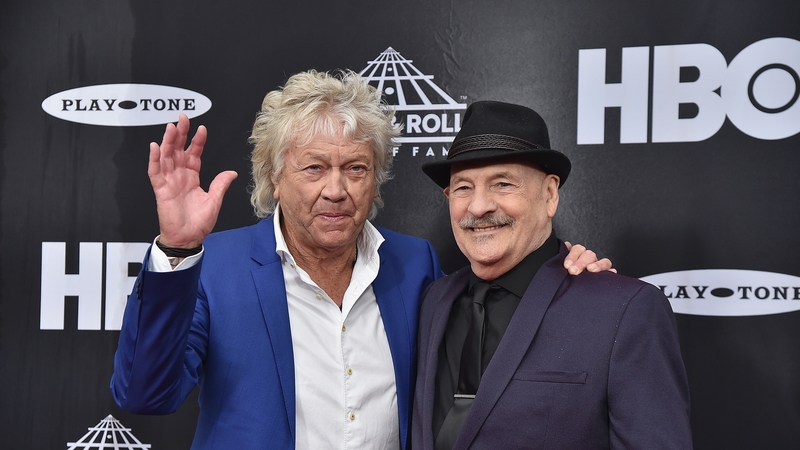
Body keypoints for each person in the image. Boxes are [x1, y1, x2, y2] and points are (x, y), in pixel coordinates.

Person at [110, 71, 611, 450]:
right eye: (314, 168)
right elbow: (144, 395)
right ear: (274, 179)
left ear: (375, 182)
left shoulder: (415, 264)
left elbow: (495, 341)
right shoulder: (215, 267)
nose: (336, 190)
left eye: (355, 168)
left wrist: (566, 282)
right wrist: (176, 250)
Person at [412, 101, 692, 450]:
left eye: (502, 183)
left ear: (549, 195)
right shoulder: (432, 301)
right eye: (463, 187)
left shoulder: (624, 310)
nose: (478, 206)